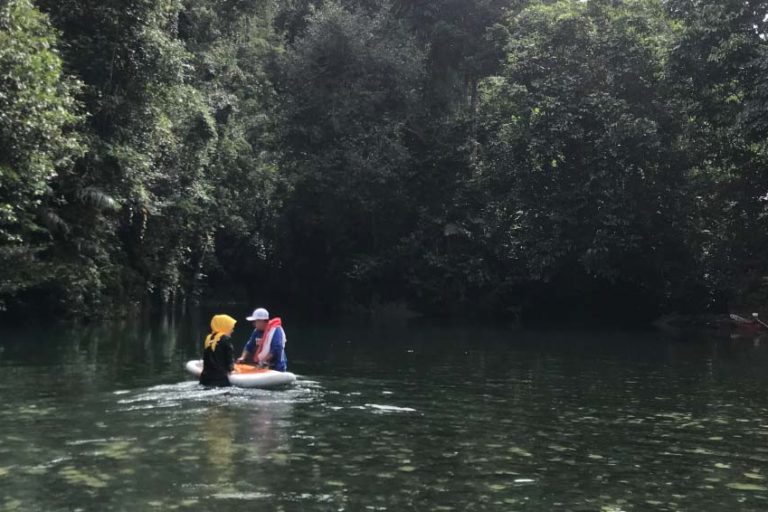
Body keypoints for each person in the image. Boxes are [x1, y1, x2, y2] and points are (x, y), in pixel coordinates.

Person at [237, 307, 288, 372]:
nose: (253, 324)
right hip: (261, 365)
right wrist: (243, 357)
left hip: (277, 367)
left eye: (255, 321)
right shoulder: (256, 331)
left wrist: (264, 361)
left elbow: (276, 348)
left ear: (262, 321)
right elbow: (249, 346)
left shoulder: (276, 330)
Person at [199, 314, 237, 387]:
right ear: (224, 326)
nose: (232, 330)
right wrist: (232, 369)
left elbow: (205, 359)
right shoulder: (226, 339)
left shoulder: (208, 338)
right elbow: (229, 360)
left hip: (204, 379)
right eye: (231, 327)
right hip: (220, 380)